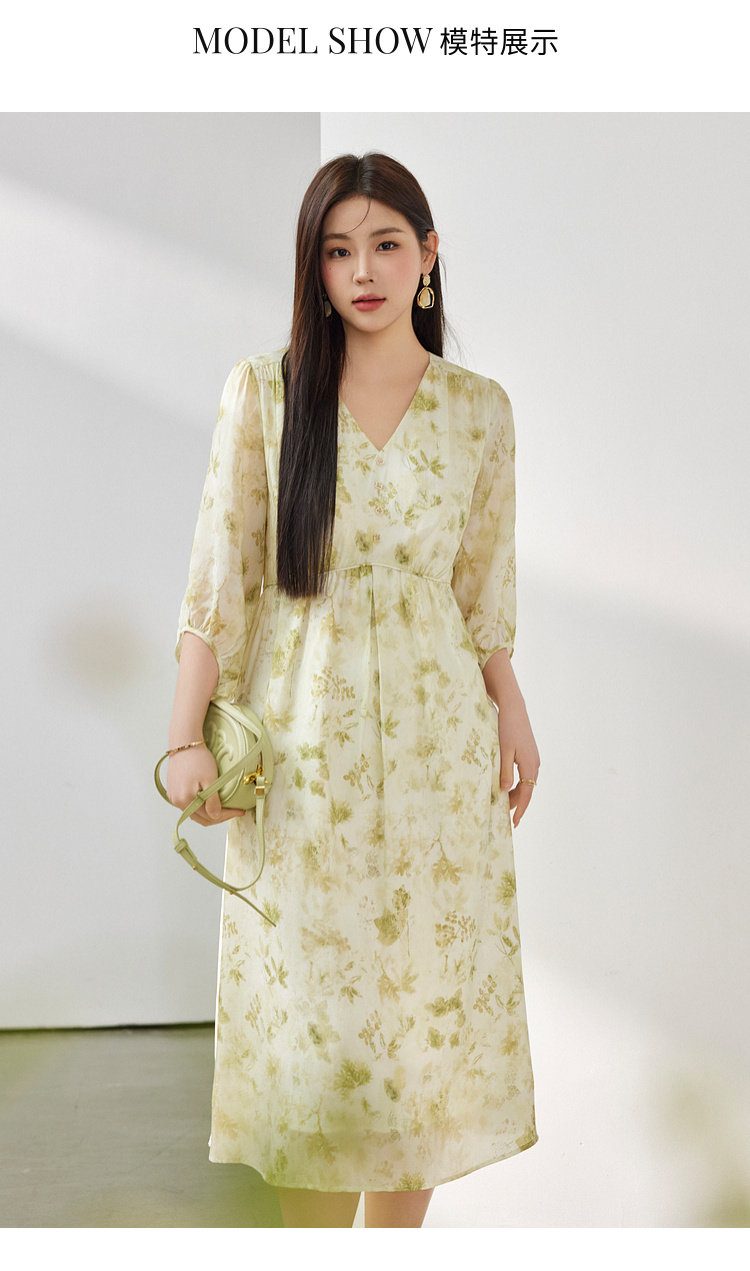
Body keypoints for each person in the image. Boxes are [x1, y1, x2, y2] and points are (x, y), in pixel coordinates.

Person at [165, 151, 540, 1229]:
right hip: (302, 759)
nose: (361, 271)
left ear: (428, 255)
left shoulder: (480, 411)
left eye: (384, 245)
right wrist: (184, 737)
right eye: (337, 251)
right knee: (313, 1038)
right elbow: (220, 581)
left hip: (438, 761)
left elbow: (481, 590)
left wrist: (513, 709)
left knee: (418, 1031)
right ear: (314, 266)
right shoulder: (266, 392)